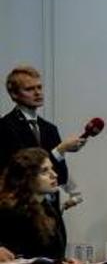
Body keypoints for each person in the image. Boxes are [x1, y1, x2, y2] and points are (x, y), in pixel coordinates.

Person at [0, 65, 85, 202]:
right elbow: (20, 174)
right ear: (14, 94)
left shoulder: (50, 128)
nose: (38, 93)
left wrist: (61, 152)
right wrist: (60, 150)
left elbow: (61, 177)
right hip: (20, 207)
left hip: (50, 208)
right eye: (29, 89)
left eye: (39, 87)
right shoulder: (5, 127)